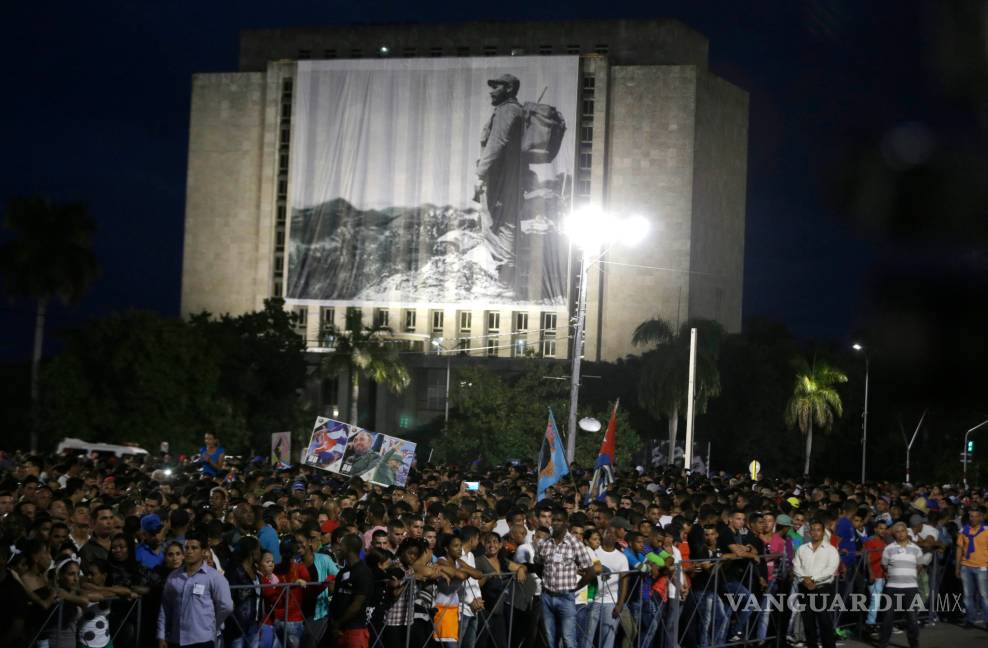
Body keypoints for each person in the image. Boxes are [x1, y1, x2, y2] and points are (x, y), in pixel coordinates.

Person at [157, 531, 233, 648]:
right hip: (176, 639)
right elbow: (165, 607)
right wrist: (161, 635)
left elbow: (226, 606)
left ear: (203, 552)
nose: (189, 551)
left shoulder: (214, 577)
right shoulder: (173, 577)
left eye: (194, 548)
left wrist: (211, 625)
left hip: (202, 640)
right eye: (186, 547)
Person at [535, 508, 595, 648]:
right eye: (553, 520)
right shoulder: (544, 544)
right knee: (550, 639)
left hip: (566, 598)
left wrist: (576, 587)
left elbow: (590, 572)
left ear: (566, 523)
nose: (555, 523)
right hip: (547, 597)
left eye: (559, 520)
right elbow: (538, 565)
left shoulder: (575, 544)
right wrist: (545, 579)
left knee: (568, 639)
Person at [878, 522, 929, 648]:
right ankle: (883, 643)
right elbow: (884, 565)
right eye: (897, 531)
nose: (901, 534)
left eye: (903, 531)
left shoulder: (916, 549)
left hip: (911, 588)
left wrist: (910, 576)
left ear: (907, 532)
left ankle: (914, 644)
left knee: (912, 619)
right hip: (892, 588)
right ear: (894, 534)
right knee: (888, 618)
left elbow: (920, 565)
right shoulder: (888, 548)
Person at [793, 520, 840, 648]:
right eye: (812, 529)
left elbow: (830, 570)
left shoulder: (831, 550)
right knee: (808, 624)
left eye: (818, 529)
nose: (815, 532)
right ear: (809, 532)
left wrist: (812, 579)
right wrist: (804, 579)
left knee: (824, 623)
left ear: (823, 532)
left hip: (823, 589)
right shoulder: (802, 549)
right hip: (804, 588)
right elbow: (796, 566)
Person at [327, 533, 375, 648]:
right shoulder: (343, 572)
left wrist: (338, 623)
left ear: (348, 548)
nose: (338, 549)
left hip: (355, 631)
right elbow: (336, 599)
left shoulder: (364, 573)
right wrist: (333, 624)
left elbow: (357, 605)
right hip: (338, 632)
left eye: (341, 545)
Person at [955, 505, 988, 629]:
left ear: (981, 517)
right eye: (971, 516)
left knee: (984, 595)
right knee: (967, 595)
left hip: (982, 567)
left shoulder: (986, 530)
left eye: (976, 516)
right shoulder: (964, 531)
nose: (973, 519)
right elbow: (959, 549)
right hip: (966, 566)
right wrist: (957, 568)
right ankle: (970, 619)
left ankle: (987, 620)